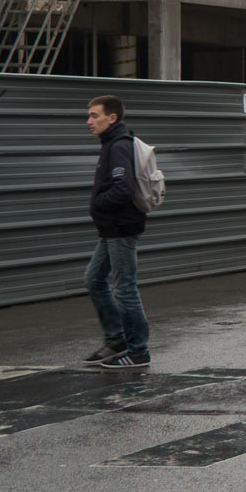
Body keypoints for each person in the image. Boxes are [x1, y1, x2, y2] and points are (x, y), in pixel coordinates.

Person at [84, 95, 152, 368]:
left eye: (94, 115)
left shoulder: (119, 146)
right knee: (93, 279)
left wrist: (98, 204)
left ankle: (138, 352)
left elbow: (124, 189)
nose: (89, 121)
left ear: (112, 118)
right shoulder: (110, 144)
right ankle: (117, 340)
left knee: (125, 288)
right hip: (111, 228)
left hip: (121, 227)